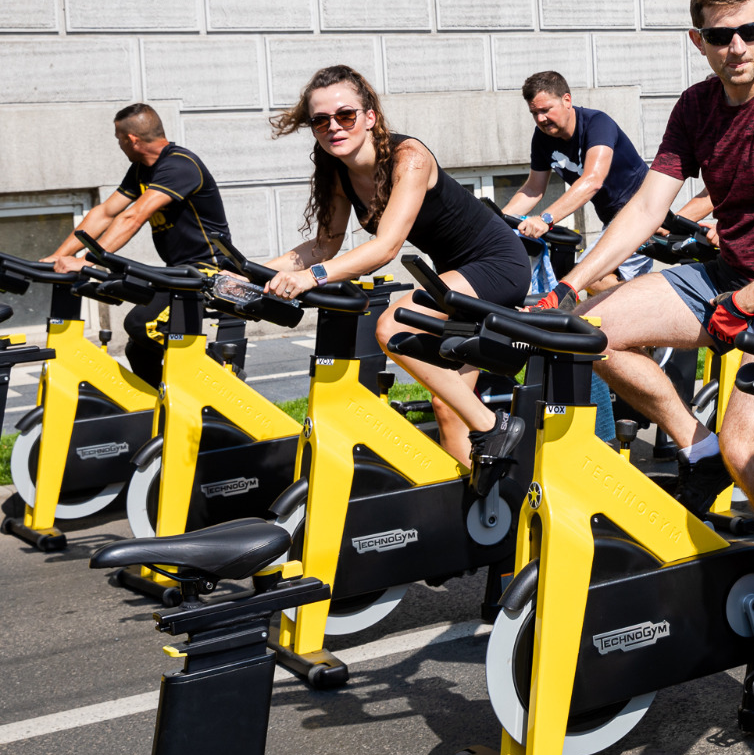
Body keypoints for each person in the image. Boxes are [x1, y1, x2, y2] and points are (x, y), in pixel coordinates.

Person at [534, 0, 754, 697]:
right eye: (720, 36)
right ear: (698, 40)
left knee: (750, 449)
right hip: (724, 276)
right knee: (590, 331)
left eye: (750, 31)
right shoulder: (696, 106)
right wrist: (572, 283)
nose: (737, 46)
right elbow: (647, 208)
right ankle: (694, 443)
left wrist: (747, 302)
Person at [260, 65, 527, 470]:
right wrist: (250, 273)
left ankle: (496, 426)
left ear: (370, 117)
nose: (334, 127)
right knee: (448, 405)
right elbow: (323, 246)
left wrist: (309, 278)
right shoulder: (338, 171)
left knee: (393, 327)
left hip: (497, 265)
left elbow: (385, 247)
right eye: (320, 120)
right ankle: (479, 498)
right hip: (451, 278)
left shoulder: (409, 157)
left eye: (345, 115)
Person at [45, 103, 234, 386]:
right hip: (177, 271)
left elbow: (133, 216)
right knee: (139, 351)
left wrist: (85, 262)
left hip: (208, 271)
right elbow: (105, 213)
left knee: (142, 325)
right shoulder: (141, 170)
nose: (119, 145)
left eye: (119, 139)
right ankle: (162, 407)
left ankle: (221, 377)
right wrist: (58, 257)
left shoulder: (180, 165)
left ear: (131, 139)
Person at [502, 71, 652, 293]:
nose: (541, 119)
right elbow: (533, 189)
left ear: (566, 100)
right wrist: (498, 222)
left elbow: (593, 180)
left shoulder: (597, 124)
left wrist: (545, 219)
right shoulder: (542, 138)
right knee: (591, 286)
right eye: (534, 113)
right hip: (613, 220)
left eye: (546, 110)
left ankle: (652, 304)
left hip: (643, 211)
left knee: (587, 276)